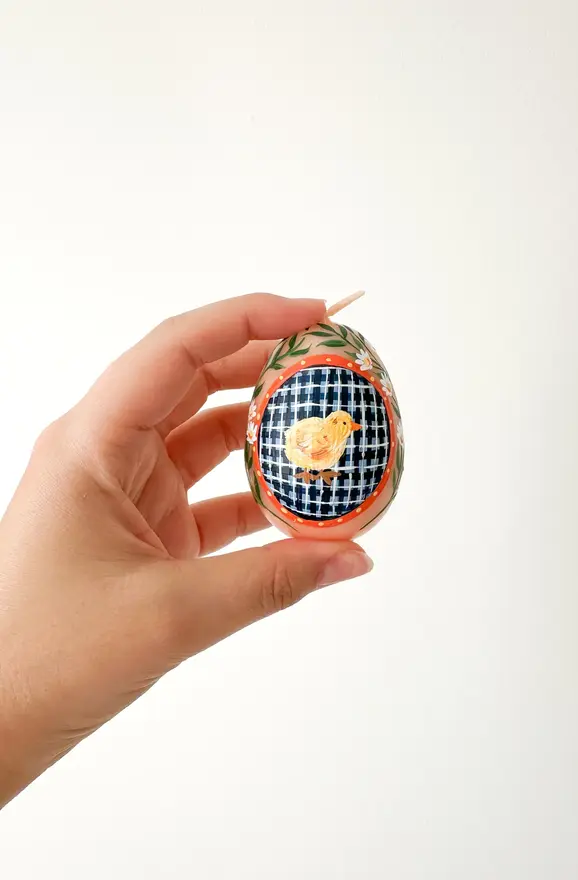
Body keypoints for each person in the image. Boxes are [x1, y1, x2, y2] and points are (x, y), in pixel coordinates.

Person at [0, 294, 373, 808]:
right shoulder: (313, 436)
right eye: (344, 423)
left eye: (346, 426)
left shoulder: (330, 432)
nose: (345, 426)